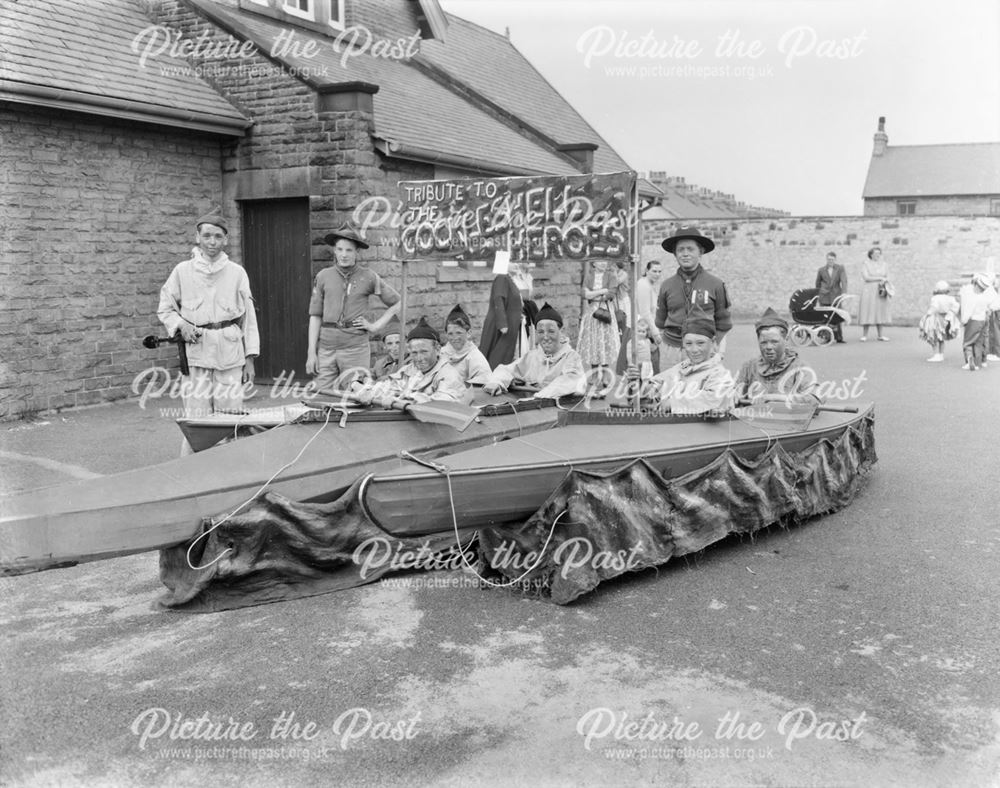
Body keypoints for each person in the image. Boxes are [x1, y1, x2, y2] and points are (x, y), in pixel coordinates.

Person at [157, 212, 259, 454]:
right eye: (207, 236)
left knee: (230, 420)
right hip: (196, 355)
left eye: (217, 236)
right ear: (197, 237)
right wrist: (182, 325)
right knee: (198, 421)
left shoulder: (236, 272)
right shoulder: (183, 271)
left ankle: (228, 475)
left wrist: (250, 359)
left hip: (230, 354)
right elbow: (165, 307)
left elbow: (249, 318)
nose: (212, 242)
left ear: (225, 240)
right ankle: (191, 474)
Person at [306, 223, 400, 392]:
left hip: (355, 348)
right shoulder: (323, 276)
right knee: (323, 395)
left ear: (357, 252)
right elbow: (315, 315)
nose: (344, 255)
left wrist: (374, 326)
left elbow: (398, 302)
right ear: (334, 251)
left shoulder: (369, 277)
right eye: (340, 249)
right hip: (326, 349)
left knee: (355, 396)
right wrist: (311, 352)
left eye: (349, 250)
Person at [654, 226, 732, 368]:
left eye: (690, 249)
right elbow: (660, 322)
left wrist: (712, 346)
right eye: (680, 250)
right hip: (671, 351)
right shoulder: (666, 285)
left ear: (700, 252)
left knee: (702, 389)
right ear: (675, 254)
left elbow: (724, 323)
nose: (685, 254)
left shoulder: (715, 284)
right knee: (670, 389)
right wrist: (667, 347)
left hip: (703, 351)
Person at [351, 317, 470, 405]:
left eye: (424, 352)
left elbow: (442, 402)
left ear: (437, 349)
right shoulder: (409, 370)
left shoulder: (448, 374)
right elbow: (388, 388)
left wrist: (401, 399)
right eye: (414, 353)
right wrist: (364, 390)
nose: (419, 358)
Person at [482, 302, 587, 399]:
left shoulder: (572, 358)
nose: (545, 337)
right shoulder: (532, 357)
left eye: (551, 331)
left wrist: (542, 395)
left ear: (561, 331)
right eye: (541, 332)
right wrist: (497, 382)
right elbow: (506, 370)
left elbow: (570, 380)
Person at [640, 311, 734, 415]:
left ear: (713, 342)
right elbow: (655, 386)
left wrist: (673, 404)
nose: (694, 350)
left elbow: (713, 400)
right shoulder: (682, 368)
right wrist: (639, 384)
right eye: (688, 343)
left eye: (700, 343)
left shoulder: (720, 374)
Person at [734, 308, 821, 405]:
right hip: (754, 418)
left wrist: (774, 398)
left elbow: (815, 398)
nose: (768, 347)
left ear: (786, 339)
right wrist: (735, 395)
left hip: (787, 418)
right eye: (763, 342)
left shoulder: (800, 367)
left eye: (774, 342)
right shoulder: (749, 366)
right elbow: (736, 390)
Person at [577, 258, 625, 378]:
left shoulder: (611, 276)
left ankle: (604, 375)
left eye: (605, 261)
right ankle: (594, 375)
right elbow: (584, 294)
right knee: (594, 343)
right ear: (594, 263)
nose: (604, 263)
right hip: (592, 314)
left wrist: (593, 294)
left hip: (605, 312)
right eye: (600, 261)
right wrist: (602, 290)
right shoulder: (589, 276)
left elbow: (611, 294)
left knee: (604, 344)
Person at [480, 254, 523, 369]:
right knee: (498, 354)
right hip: (502, 326)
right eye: (512, 261)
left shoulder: (509, 279)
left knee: (505, 353)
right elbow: (498, 299)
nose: (516, 264)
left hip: (509, 323)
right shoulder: (501, 278)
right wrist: (502, 324)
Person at [439, 304, 491, 385]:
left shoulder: (474, 356)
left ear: (468, 333)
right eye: (450, 334)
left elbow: (485, 379)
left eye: (459, 333)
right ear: (446, 334)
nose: (454, 338)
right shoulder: (441, 353)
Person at [959, 272, 1000, 371]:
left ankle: (969, 360)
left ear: (976, 285)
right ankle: (978, 363)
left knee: (968, 342)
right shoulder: (984, 298)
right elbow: (992, 306)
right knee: (979, 342)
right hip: (982, 321)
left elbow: (968, 311)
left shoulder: (973, 298)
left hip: (973, 321)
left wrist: (963, 321)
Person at [917, 281, 960, 363]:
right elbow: (956, 306)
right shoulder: (950, 298)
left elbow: (934, 307)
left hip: (936, 319)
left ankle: (936, 354)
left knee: (935, 337)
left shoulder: (935, 298)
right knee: (942, 338)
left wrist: (928, 314)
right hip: (946, 318)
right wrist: (951, 313)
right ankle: (941, 354)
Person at [858, 246, 892, 342]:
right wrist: (880, 278)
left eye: (879, 254)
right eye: (875, 254)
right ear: (871, 255)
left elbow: (888, 276)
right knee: (867, 309)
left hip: (881, 290)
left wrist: (885, 280)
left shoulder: (884, 264)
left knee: (880, 310)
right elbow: (866, 277)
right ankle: (865, 335)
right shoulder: (866, 264)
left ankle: (880, 335)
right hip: (869, 290)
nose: (877, 255)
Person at [635, 259, 663, 372]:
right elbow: (645, 312)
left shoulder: (648, 284)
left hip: (648, 329)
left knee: (651, 366)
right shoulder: (643, 285)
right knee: (649, 366)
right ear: (647, 270)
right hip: (644, 330)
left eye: (659, 271)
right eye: (654, 271)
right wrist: (655, 333)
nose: (657, 274)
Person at [815, 251, 848, 343]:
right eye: (829, 259)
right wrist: (818, 293)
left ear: (835, 259)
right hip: (824, 296)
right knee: (826, 317)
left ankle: (839, 337)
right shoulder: (821, 270)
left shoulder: (840, 268)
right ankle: (827, 337)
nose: (830, 261)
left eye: (832, 259)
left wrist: (844, 292)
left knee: (837, 316)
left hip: (836, 295)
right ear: (826, 259)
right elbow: (817, 283)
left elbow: (844, 280)